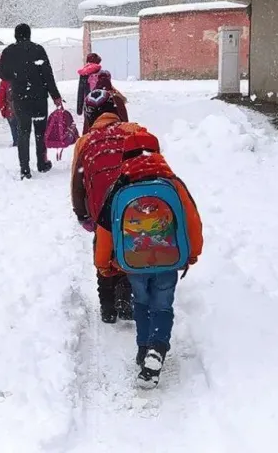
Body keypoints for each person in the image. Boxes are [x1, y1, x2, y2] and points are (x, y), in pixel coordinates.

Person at [71, 91, 203, 388]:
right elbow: (191, 220)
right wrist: (192, 253)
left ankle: (144, 348)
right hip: (168, 260)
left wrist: (104, 264)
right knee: (163, 306)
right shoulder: (172, 184)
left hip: (134, 262)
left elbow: (105, 230)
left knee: (141, 303)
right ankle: (158, 346)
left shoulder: (119, 189)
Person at [73, 89, 133, 323]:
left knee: (103, 254)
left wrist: (82, 214)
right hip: (132, 206)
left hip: (101, 210)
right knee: (130, 247)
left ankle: (107, 306)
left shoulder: (85, 142)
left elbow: (77, 183)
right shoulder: (133, 132)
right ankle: (125, 294)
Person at [0, 23, 63, 180]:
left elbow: (2, 73)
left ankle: (25, 169)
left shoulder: (9, 51)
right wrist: (55, 96)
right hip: (39, 98)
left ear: (16, 35)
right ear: (29, 34)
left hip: (20, 98)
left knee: (23, 132)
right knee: (40, 132)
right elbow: (48, 75)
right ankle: (42, 163)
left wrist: (15, 76)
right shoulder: (38, 50)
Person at [76, 53, 103, 117]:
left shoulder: (83, 73)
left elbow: (80, 93)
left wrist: (79, 109)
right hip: (99, 101)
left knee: (88, 118)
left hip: (88, 103)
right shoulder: (100, 72)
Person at [0, 78, 18, 147]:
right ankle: (22, 142)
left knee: (13, 126)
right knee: (21, 126)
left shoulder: (4, 82)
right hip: (21, 109)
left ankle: (16, 141)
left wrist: (0, 108)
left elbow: (1, 97)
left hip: (10, 110)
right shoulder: (21, 78)